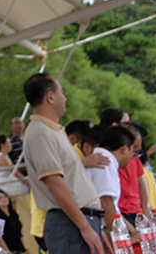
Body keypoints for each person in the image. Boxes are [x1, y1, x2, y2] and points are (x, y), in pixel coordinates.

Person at [22, 73, 104, 254]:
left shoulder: (53, 131)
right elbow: (55, 184)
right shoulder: (41, 133)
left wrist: (94, 224)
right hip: (69, 224)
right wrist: (85, 227)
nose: (64, 98)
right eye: (62, 92)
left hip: (78, 221)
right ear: (50, 97)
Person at [85, 125, 136, 250]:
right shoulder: (105, 161)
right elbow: (106, 203)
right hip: (101, 227)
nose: (132, 157)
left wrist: (131, 230)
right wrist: (119, 238)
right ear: (124, 148)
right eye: (133, 152)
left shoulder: (102, 158)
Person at [0, 189, 28, 254]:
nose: (4, 199)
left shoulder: (14, 214)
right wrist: (7, 251)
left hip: (20, 249)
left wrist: (25, 249)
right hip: (10, 250)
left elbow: (20, 233)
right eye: (0, 197)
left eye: (5, 196)